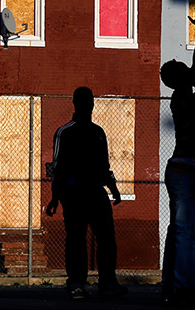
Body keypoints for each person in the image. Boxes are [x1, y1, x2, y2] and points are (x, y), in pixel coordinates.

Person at [46, 86, 128, 300]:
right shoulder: (65, 132)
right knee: (76, 239)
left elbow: (104, 166)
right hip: (73, 193)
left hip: (95, 192)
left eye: (90, 101)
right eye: (85, 101)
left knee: (106, 239)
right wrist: (55, 197)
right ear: (75, 103)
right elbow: (57, 167)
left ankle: (107, 282)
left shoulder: (97, 132)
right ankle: (76, 282)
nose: (89, 105)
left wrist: (113, 189)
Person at [160, 11, 195, 306]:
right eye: (182, 67)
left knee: (177, 232)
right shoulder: (184, 97)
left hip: (182, 169)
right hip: (185, 169)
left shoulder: (183, 95)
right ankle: (183, 289)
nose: (187, 67)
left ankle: (172, 285)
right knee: (184, 233)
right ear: (179, 77)